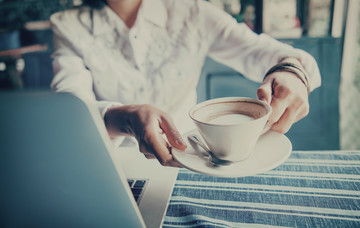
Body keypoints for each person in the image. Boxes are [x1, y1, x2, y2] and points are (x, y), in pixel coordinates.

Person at [50, 0, 321, 167]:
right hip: (112, 169)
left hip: (195, 162)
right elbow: (69, 110)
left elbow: (265, 52)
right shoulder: (67, 25)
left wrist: (291, 72)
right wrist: (122, 118)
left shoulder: (193, 12)